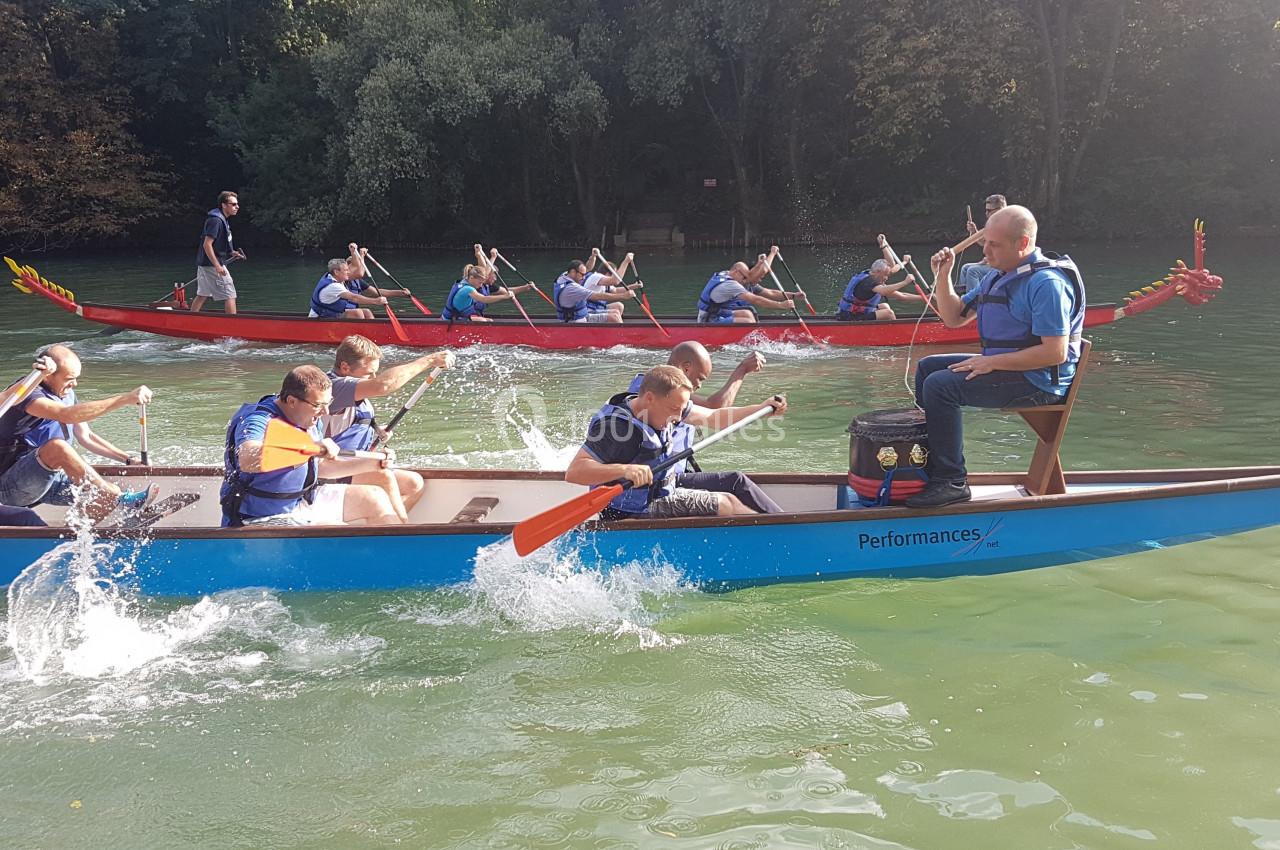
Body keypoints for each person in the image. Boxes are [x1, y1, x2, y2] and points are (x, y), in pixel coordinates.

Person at [906, 205, 1084, 508]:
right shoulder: (998, 275)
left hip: (1038, 383)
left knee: (940, 385)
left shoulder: (1047, 285)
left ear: (1023, 244)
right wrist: (943, 276)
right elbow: (952, 318)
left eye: (994, 244)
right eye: (985, 241)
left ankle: (951, 481)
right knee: (927, 369)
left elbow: (1054, 352)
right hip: (1009, 369)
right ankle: (928, 463)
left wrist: (990, 362)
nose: (985, 250)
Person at [565, 365, 787, 520]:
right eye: (674, 410)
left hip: (660, 491)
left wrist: (761, 410)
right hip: (627, 509)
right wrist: (625, 469)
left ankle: (781, 527)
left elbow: (712, 417)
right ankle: (777, 538)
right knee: (725, 503)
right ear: (649, 398)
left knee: (731, 488)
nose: (679, 417)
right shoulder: (618, 429)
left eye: (682, 410)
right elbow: (575, 472)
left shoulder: (670, 406)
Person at [220, 365, 403, 526]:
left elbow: (321, 468)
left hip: (301, 501)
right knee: (336, 531)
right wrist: (310, 447)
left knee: (374, 498)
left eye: (328, 403)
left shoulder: (310, 418)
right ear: (291, 401)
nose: (325, 411)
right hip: (258, 516)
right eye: (318, 405)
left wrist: (373, 463)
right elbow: (247, 459)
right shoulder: (258, 420)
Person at [0, 346, 156, 522]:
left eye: (76, 379)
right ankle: (114, 497)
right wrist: (124, 399)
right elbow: (66, 415)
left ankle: (77, 537)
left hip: (48, 482)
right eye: (69, 379)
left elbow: (86, 436)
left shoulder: (67, 393)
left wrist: (127, 459)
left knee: (103, 493)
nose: (74, 384)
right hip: (10, 487)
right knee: (58, 448)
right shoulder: (29, 393)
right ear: (49, 375)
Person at [625, 342, 783, 513]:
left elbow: (713, 416)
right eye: (700, 378)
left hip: (670, 475)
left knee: (734, 482)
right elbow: (715, 409)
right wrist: (742, 369)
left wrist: (761, 409)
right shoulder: (657, 395)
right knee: (735, 482)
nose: (699, 385)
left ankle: (778, 523)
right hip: (656, 484)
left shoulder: (665, 390)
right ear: (685, 368)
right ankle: (786, 525)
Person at [321, 335, 455, 520]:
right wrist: (430, 360)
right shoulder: (333, 387)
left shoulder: (353, 390)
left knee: (413, 484)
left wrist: (375, 431)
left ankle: (384, 526)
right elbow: (383, 385)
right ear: (345, 367)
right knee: (383, 477)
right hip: (330, 469)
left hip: (354, 462)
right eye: (368, 373)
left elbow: (346, 424)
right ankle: (401, 530)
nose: (373, 377)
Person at [696, 245, 804, 324]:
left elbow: (768, 290)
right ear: (736, 271)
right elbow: (756, 300)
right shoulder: (730, 285)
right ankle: (749, 341)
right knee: (748, 320)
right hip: (708, 319)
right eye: (744, 277)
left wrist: (794, 295)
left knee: (748, 313)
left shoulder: (728, 273)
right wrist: (780, 305)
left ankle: (754, 335)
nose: (745, 281)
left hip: (718, 312)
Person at [190, 191, 246, 314]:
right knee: (230, 294)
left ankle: (190, 319)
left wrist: (231, 252)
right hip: (212, 265)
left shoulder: (222, 219)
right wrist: (217, 266)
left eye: (237, 204)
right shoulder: (216, 221)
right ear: (224, 205)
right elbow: (207, 244)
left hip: (206, 263)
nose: (237, 207)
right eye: (233, 204)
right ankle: (232, 327)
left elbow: (219, 243)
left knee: (202, 294)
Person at [308, 247, 396, 319]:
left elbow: (356, 268)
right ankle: (360, 337)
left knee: (367, 312)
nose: (348, 272)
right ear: (336, 272)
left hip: (332, 314)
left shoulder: (338, 277)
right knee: (357, 313)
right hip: (321, 317)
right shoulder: (333, 286)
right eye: (346, 270)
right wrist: (375, 301)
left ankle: (372, 334)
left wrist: (355, 253)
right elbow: (354, 297)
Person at [835, 250, 923, 322]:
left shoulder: (872, 275)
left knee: (885, 306)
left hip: (853, 313)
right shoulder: (869, 282)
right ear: (877, 271)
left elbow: (902, 296)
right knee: (888, 313)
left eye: (887, 275)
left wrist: (925, 297)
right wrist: (905, 282)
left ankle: (881, 331)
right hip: (849, 316)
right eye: (885, 275)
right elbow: (883, 291)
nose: (886, 278)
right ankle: (895, 335)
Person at [553, 257, 639, 324]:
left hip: (579, 314)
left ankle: (611, 335)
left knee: (616, 311)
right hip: (577, 320)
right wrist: (623, 296)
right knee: (614, 317)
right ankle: (622, 341)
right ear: (572, 272)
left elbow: (587, 268)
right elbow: (598, 296)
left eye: (584, 274)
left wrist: (593, 257)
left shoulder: (564, 276)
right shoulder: (572, 288)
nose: (584, 277)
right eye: (582, 275)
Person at [441, 263, 534, 323]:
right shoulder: (467, 289)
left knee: (487, 319)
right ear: (472, 278)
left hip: (460, 317)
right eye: (480, 282)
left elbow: (484, 269)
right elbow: (484, 299)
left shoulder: (467, 280)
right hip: (453, 319)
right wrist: (505, 296)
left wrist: (526, 287)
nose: (481, 286)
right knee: (487, 321)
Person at [958, 194, 1009, 294]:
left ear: (1000, 210)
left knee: (973, 271)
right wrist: (974, 232)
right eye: (986, 210)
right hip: (993, 263)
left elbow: (1006, 250)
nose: (986, 214)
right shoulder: (993, 225)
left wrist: (989, 259)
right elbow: (985, 243)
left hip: (1004, 266)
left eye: (989, 211)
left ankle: (974, 304)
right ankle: (962, 301)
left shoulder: (1006, 225)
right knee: (965, 268)